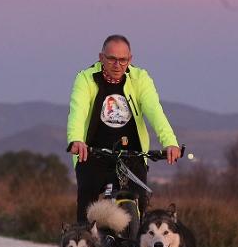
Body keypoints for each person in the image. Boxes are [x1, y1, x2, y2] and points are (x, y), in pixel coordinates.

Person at [66, 34, 181, 223]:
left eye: (123, 60)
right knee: (86, 206)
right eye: (111, 58)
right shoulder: (85, 78)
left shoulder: (140, 78)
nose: (117, 64)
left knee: (140, 204)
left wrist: (169, 142)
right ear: (101, 57)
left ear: (130, 59)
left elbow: (154, 111)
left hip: (132, 154)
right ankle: (85, 243)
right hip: (94, 153)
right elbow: (77, 111)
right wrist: (76, 139)